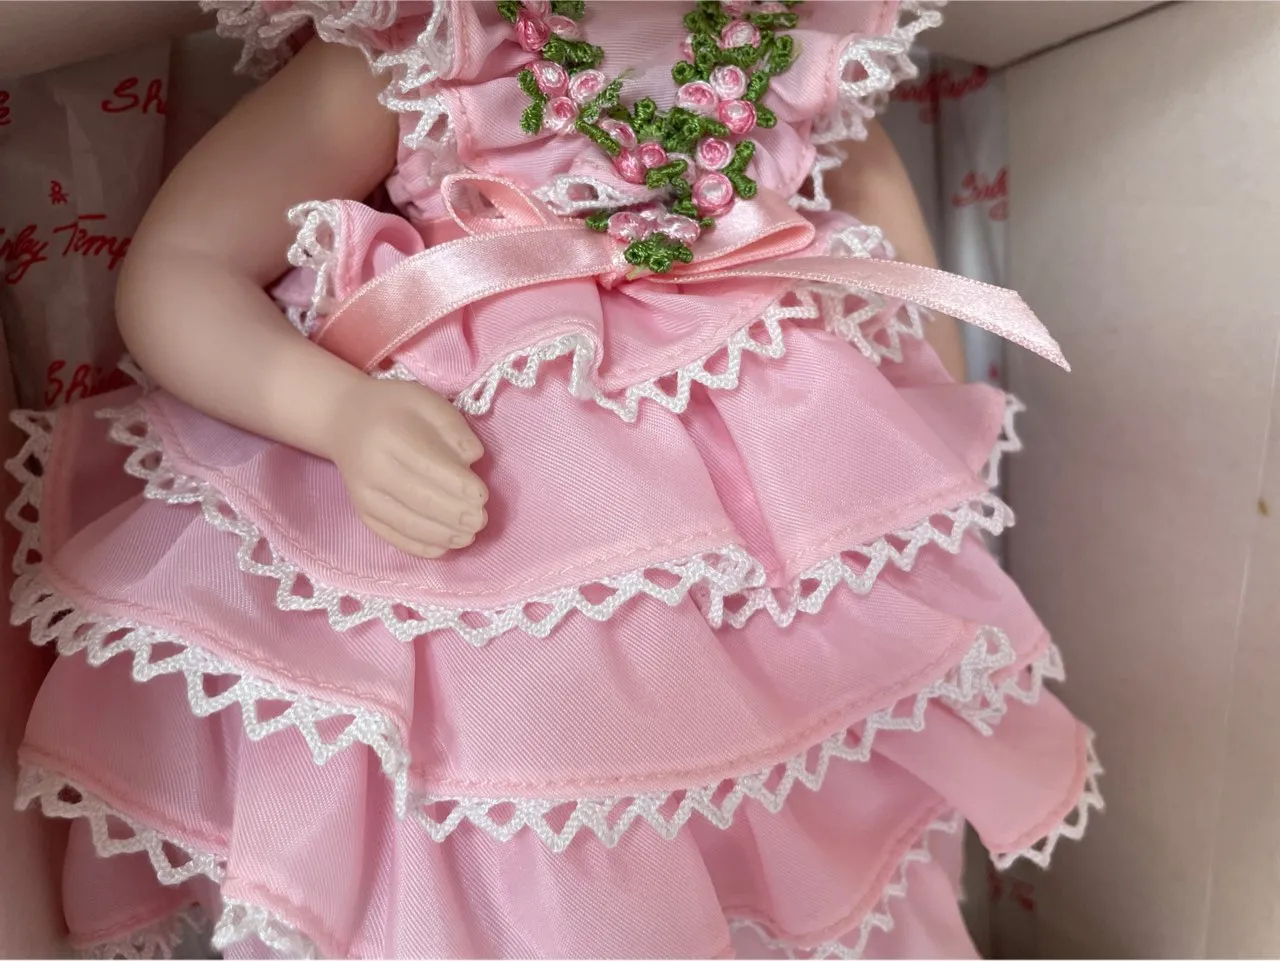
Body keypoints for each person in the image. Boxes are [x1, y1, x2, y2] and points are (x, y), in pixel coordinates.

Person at [7, 1, 1100, 956]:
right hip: (501, 538)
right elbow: (179, 268)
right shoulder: (436, 47)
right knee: (520, 791)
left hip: (784, 557)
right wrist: (336, 415)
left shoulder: (803, 51)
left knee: (828, 795)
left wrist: (918, 501)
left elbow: (903, 304)